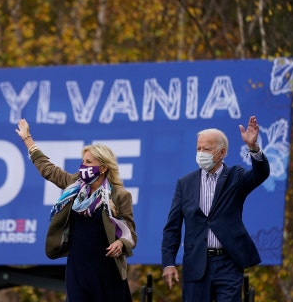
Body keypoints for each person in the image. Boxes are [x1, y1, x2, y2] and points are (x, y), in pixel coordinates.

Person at [15, 118, 137, 302]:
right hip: (77, 268)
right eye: (83, 161)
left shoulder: (120, 196)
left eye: (89, 162)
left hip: (106, 270)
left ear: (103, 167)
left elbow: (130, 233)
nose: (83, 166)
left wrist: (120, 244)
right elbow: (48, 169)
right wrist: (27, 139)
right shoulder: (75, 185)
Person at [161, 115, 270, 302]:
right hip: (196, 263)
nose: (201, 153)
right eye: (198, 148)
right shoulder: (185, 183)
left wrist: (253, 148)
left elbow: (261, 174)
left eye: (207, 149)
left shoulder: (236, 177)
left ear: (222, 152)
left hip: (228, 263)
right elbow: (172, 227)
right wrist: (168, 263)